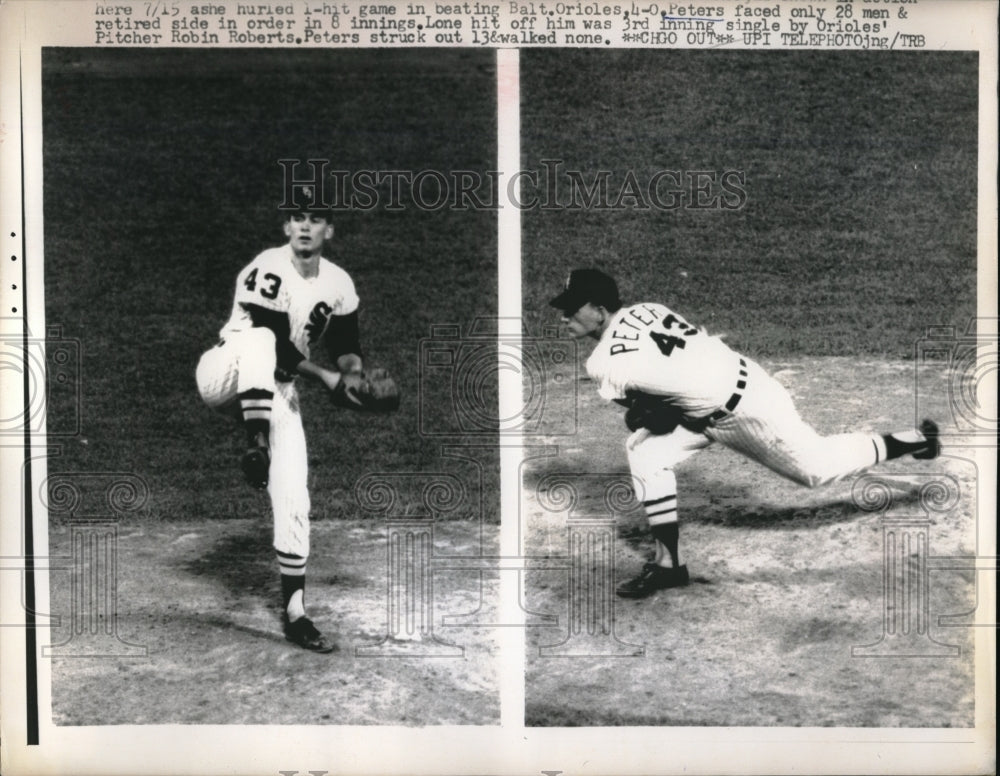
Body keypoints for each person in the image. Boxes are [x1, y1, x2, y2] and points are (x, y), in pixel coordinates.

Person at [549, 268, 941, 600]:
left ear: (599, 311)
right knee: (645, 452)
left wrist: (642, 414)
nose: (564, 316)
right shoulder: (648, 308)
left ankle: (916, 439)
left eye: (572, 308)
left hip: (748, 411)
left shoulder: (603, 363)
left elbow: (656, 418)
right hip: (731, 384)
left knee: (816, 470)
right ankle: (669, 567)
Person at [195, 191, 369, 652]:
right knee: (260, 341)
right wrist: (328, 378)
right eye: (298, 217)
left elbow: (345, 344)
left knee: (294, 494)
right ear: (286, 227)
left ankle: (295, 613)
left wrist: (353, 374)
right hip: (226, 372)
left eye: (316, 218)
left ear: (329, 229)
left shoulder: (339, 282)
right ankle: (256, 443)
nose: (306, 226)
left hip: (276, 391)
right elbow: (276, 343)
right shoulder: (267, 267)